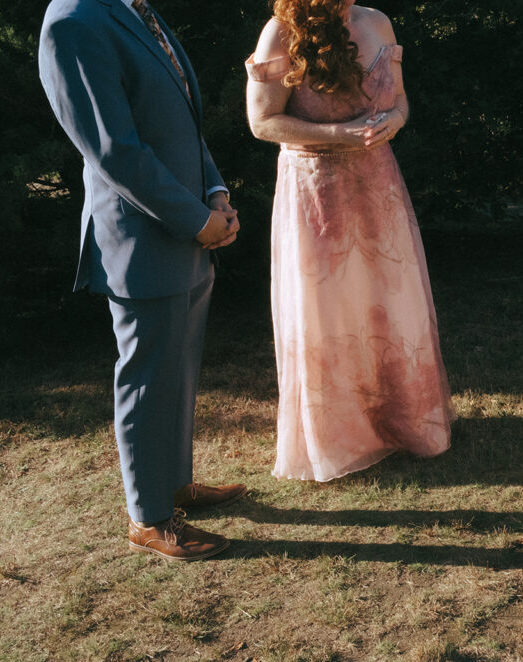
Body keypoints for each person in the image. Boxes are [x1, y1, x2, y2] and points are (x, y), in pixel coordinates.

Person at [39, 0, 247, 561]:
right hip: (141, 235)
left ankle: (173, 485)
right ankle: (149, 517)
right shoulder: (73, 22)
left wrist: (214, 193)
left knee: (176, 368)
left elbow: (180, 116)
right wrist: (195, 220)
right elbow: (114, 148)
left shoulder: (134, 9)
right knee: (148, 374)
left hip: (188, 224)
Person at [245, 0, 452, 481]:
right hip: (316, 191)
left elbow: (400, 101)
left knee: (390, 304)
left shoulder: (377, 22)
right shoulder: (281, 32)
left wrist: (395, 121)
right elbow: (262, 122)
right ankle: (340, 437)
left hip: (379, 186)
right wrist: (339, 133)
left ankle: (401, 424)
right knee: (329, 312)